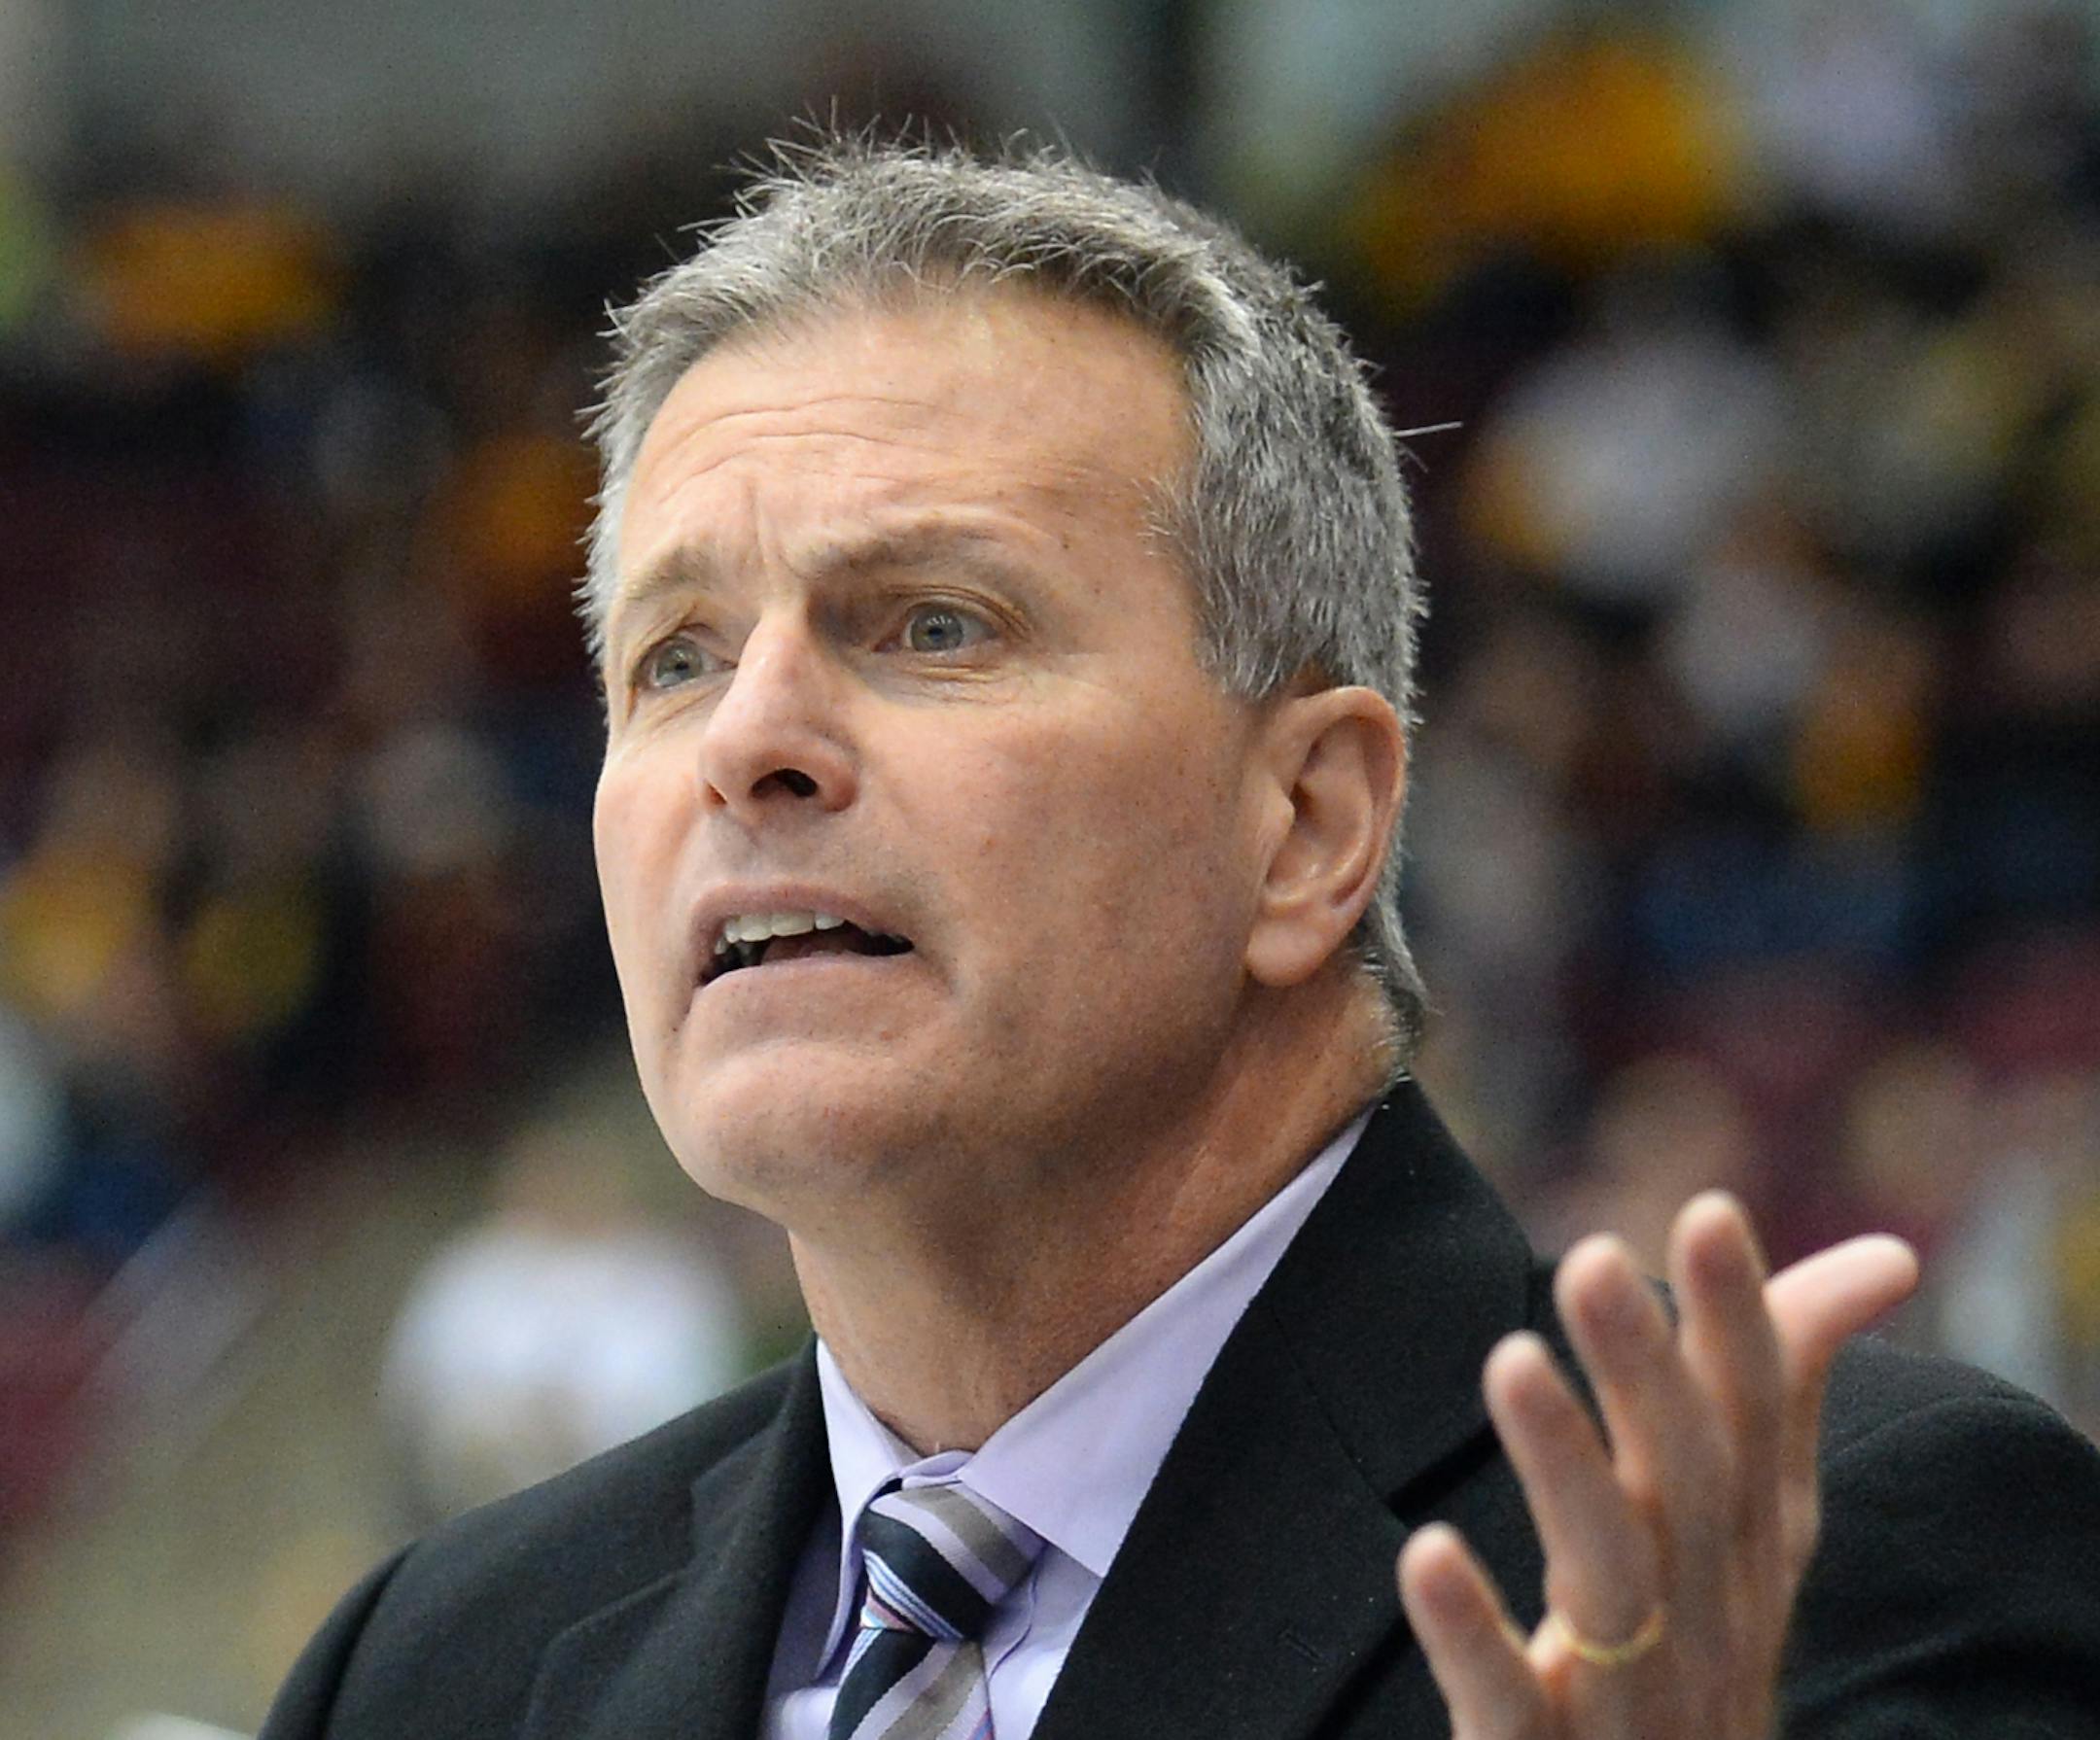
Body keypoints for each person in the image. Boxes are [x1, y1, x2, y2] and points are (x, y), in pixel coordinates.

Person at [260, 138, 2100, 1739]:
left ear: (1306, 825)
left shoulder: (1821, 1567)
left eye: (935, 625)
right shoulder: (431, 1673)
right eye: (675, 658)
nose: (746, 738)